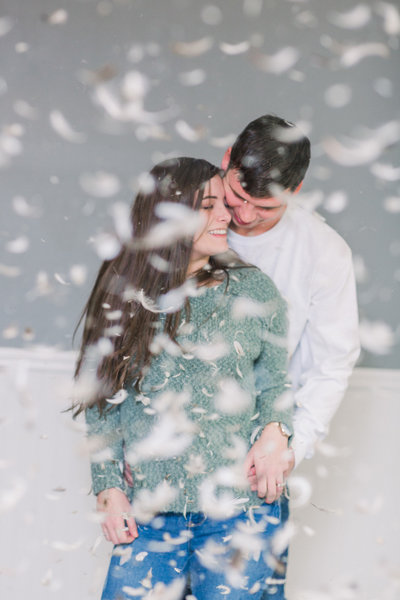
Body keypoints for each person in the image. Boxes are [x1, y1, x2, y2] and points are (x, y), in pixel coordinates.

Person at [74, 157, 294, 599]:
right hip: (151, 515)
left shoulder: (253, 291)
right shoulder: (123, 295)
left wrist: (276, 432)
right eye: (207, 205)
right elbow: (101, 403)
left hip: (241, 514)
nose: (225, 216)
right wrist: (108, 487)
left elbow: (275, 384)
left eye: (222, 204)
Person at [221, 115, 360, 598]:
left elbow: (331, 365)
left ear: (295, 190)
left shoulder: (324, 252)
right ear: (226, 162)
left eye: (263, 206)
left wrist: (287, 451)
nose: (243, 216)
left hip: (259, 459)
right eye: (237, 197)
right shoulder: (187, 222)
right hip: (172, 458)